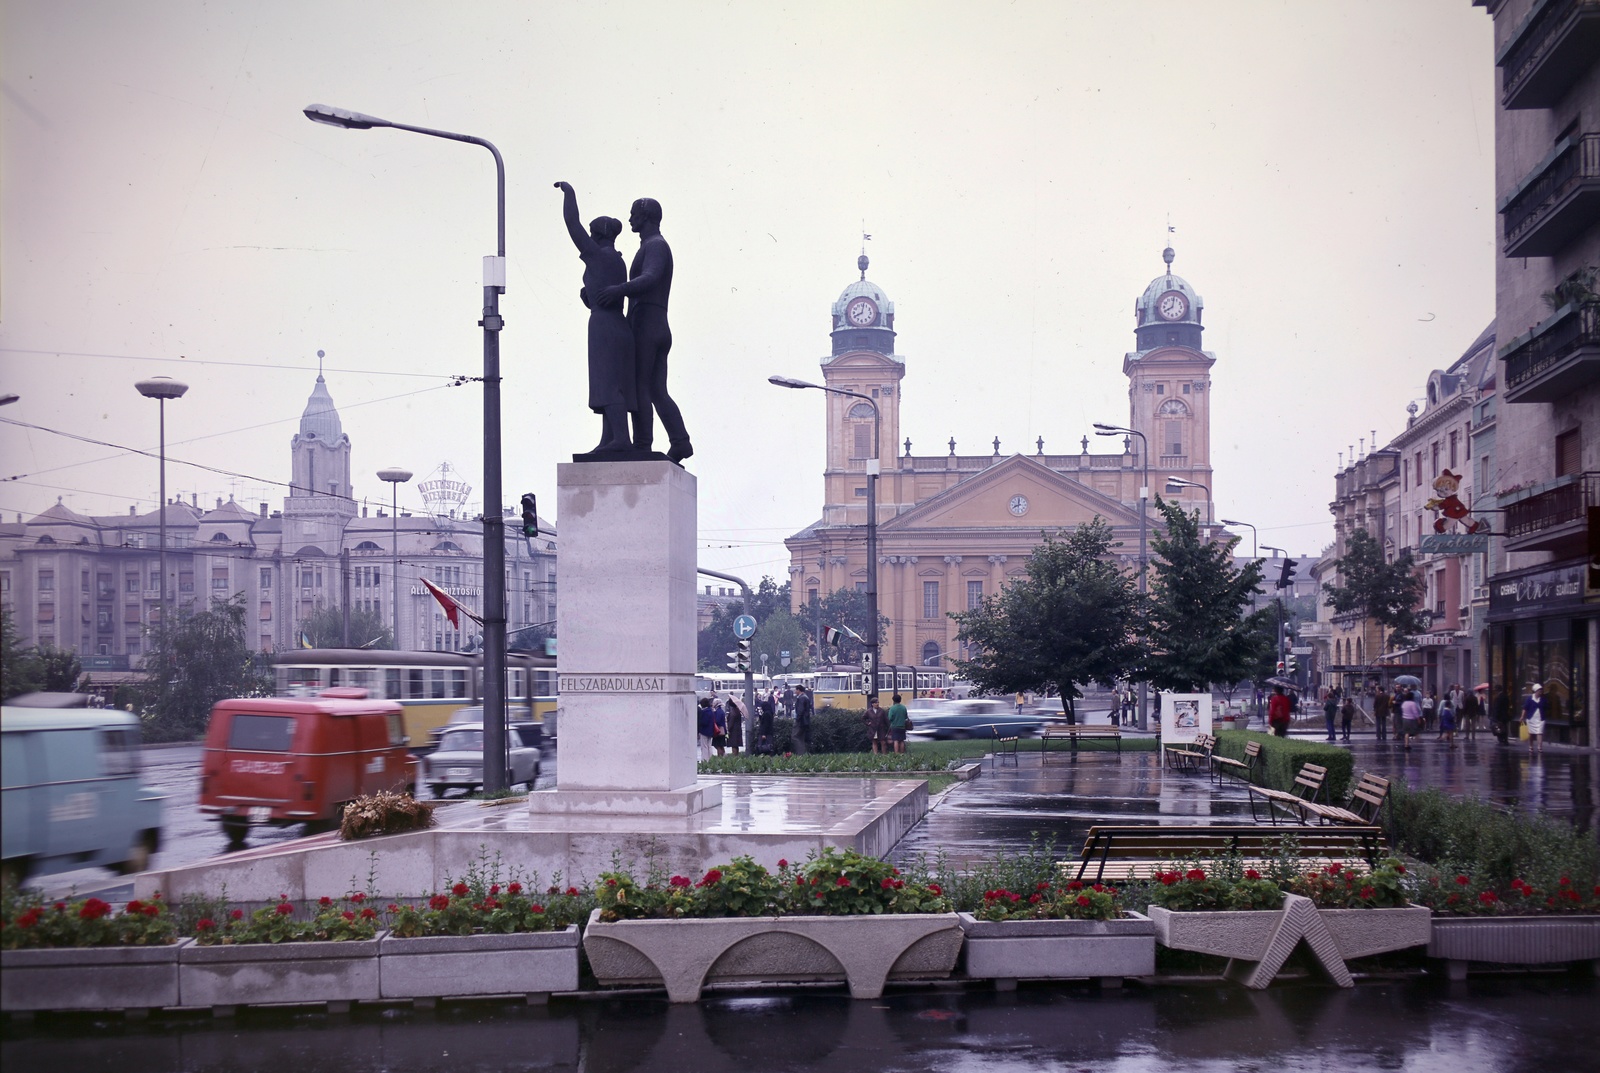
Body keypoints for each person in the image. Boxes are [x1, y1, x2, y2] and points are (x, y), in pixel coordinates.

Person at [597, 197, 692, 463]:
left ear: (645, 216)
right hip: (656, 321)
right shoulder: (653, 245)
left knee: (640, 386)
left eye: (633, 215)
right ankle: (680, 442)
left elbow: (650, 278)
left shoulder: (656, 246)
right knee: (657, 390)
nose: (629, 219)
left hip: (647, 321)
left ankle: (642, 443)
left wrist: (619, 289)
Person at [554, 182, 634, 453]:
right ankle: (610, 439)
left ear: (598, 235)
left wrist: (569, 193)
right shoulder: (617, 260)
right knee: (610, 380)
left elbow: (571, 222)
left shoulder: (598, 256)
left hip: (604, 325)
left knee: (607, 381)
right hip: (616, 324)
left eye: (590, 233)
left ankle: (620, 438)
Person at [1521, 683, 1547, 754]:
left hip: (1540, 719)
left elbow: (1546, 707)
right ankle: (1531, 746)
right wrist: (1522, 716)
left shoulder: (1543, 699)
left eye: (1541, 691)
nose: (1540, 692)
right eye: (1539, 691)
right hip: (1531, 719)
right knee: (1531, 733)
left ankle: (1540, 747)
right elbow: (1525, 708)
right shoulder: (1529, 699)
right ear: (1535, 691)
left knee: (1540, 732)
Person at [793, 685, 814, 754]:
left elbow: (800, 710)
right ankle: (803, 752)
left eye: (796, 690)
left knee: (795, 736)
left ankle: (800, 752)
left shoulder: (802, 698)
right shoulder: (805, 697)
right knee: (801, 737)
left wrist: (797, 719)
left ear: (799, 690)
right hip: (805, 721)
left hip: (801, 720)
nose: (795, 691)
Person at [696, 697, 716, 762]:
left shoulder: (704, 712)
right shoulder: (711, 711)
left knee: (704, 746)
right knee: (709, 746)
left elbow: (704, 722)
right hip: (710, 731)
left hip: (704, 731)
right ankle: (710, 758)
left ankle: (705, 760)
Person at [756, 689, 777, 754]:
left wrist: (763, 734)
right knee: (769, 746)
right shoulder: (769, 713)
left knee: (764, 747)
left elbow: (765, 724)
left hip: (766, 734)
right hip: (769, 733)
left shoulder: (766, 714)